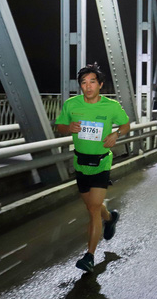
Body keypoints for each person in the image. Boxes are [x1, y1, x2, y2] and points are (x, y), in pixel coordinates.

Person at [56, 63, 130, 273]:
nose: (88, 87)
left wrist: (116, 134)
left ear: (100, 85)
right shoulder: (72, 104)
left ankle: (89, 256)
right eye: (84, 83)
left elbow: (126, 124)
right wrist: (68, 128)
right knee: (93, 208)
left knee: (93, 209)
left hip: (101, 162)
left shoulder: (111, 106)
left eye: (92, 82)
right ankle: (110, 218)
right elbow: (60, 126)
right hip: (80, 163)